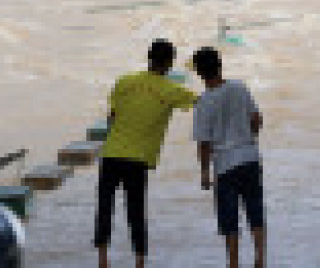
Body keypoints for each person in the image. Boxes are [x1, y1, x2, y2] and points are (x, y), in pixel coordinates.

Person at [94, 39, 197, 268]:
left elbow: (112, 115)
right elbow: (202, 102)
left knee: (104, 206)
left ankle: (103, 259)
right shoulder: (172, 90)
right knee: (136, 210)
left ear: (149, 57)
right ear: (170, 63)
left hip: (111, 153)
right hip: (138, 159)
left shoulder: (124, 81)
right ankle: (139, 260)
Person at [191, 46, 266, 268]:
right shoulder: (239, 87)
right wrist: (248, 136)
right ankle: (260, 259)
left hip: (225, 166)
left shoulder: (203, 102)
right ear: (220, 65)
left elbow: (204, 143)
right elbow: (257, 119)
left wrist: (204, 173)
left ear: (199, 72)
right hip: (250, 157)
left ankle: (233, 262)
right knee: (255, 210)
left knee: (229, 219)